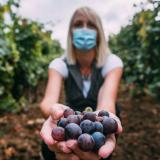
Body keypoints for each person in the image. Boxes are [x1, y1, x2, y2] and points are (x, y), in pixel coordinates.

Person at [40, 6, 123, 160]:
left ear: (99, 33)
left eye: (91, 25)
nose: (84, 29)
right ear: (71, 32)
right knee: (51, 150)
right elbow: (48, 102)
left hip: (97, 117)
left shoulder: (111, 63)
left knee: (100, 150)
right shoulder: (60, 64)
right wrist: (54, 111)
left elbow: (107, 103)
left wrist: (102, 118)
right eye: (78, 24)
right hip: (72, 118)